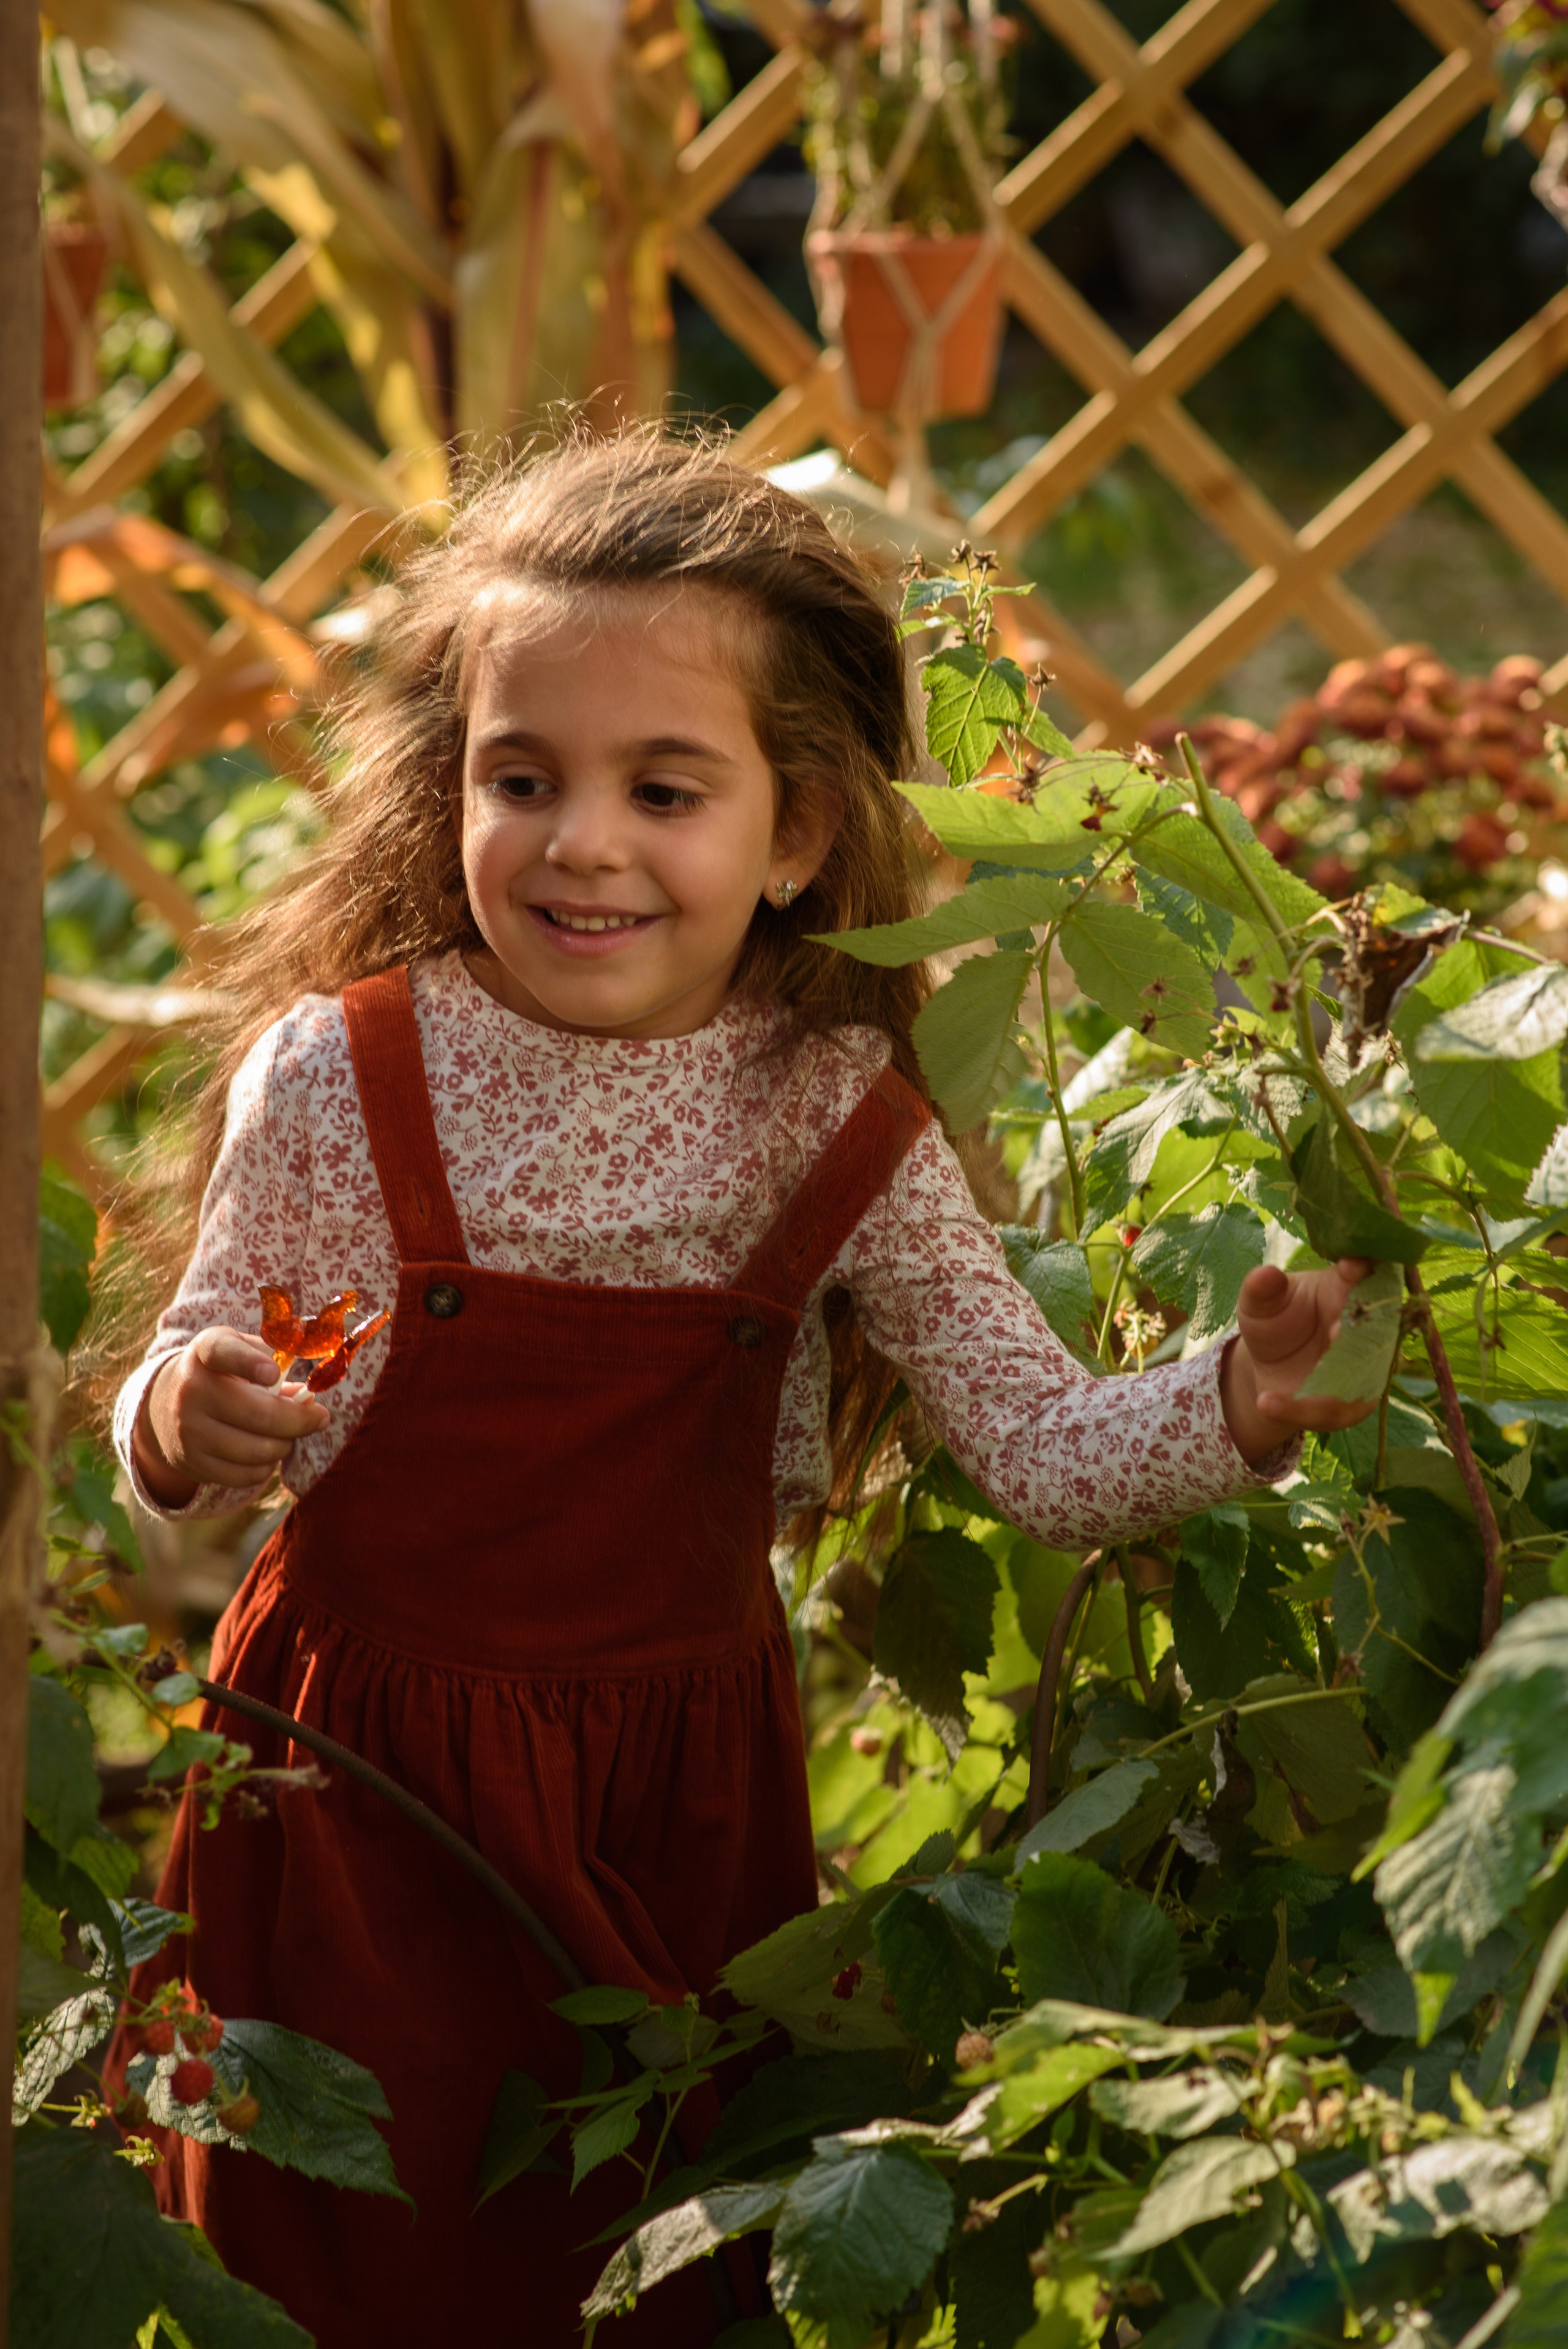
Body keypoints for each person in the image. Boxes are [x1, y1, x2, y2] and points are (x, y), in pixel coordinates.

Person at [113, 431, 1374, 2345]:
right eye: (519, 778)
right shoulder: (348, 1075)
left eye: (664, 786)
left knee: (650, 2272)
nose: (583, 838)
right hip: (350, 1801)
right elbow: (185, 1440)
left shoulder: (824, 1115)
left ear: (794, 833)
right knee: (326, 2258)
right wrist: (186, 1415)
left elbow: (1039, 1448)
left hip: (671, 1820)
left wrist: (1242, 1399)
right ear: (449, 786)